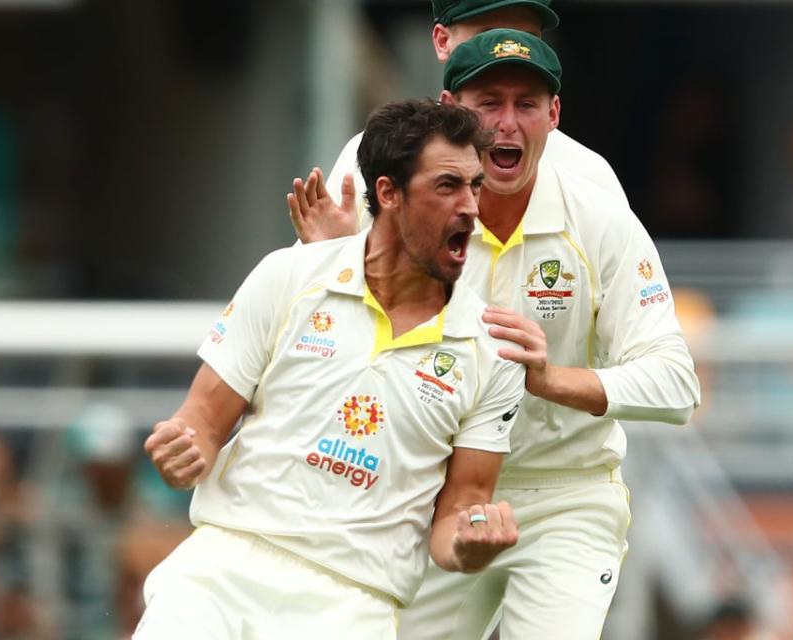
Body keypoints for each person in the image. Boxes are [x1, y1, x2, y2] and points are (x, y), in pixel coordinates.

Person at [290, 28, 701, 640]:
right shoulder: (405, 219)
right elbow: (335, 356)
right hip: (439, 497)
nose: (507, 124)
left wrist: (552, 379)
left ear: (554, 115)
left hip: (569, 495)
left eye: (527, 104)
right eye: (489, 103)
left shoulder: (600, 217)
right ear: (452, 110)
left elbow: (676, 385)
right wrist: (334, 268)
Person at [134, 100, 526, 639]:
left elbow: (462, 507)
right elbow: (201, 419)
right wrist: (183, 449)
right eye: (447, 186)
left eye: (475, 186)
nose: (471, 208)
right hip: (224, 568)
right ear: (388, 193)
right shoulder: (288, 275)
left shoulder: (491, 350)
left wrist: (468, 546)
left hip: (353, 601)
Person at [287, 0, 628, 245]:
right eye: (488, 34)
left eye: (526, 35)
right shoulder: (374, 156)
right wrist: (334, 261)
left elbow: (645, 336)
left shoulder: (590, 175)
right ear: (441, 41)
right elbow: (307, 322)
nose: (508, 49)